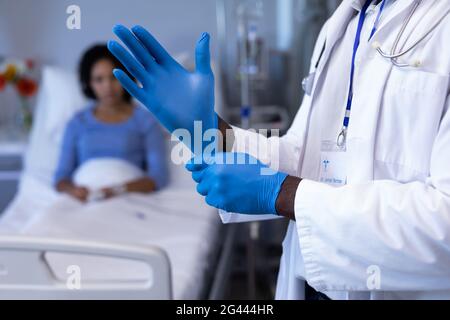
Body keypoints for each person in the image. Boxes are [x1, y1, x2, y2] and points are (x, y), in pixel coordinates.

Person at [108, 0, 450, 299]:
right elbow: (305, 155)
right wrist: (210, 131)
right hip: (310, 283)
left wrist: (283, 194)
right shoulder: (343, 23)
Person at [54, 44, 168, 202]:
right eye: (99, 79)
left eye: (114, 77)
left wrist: (118, 190)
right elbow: (61, 178)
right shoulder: (77, 123)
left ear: (126, 78)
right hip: (84, 201)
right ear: (89, 83)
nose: (107, 86)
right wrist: (73, 190)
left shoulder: (145, 121)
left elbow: (158, 177)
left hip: (129, 199)